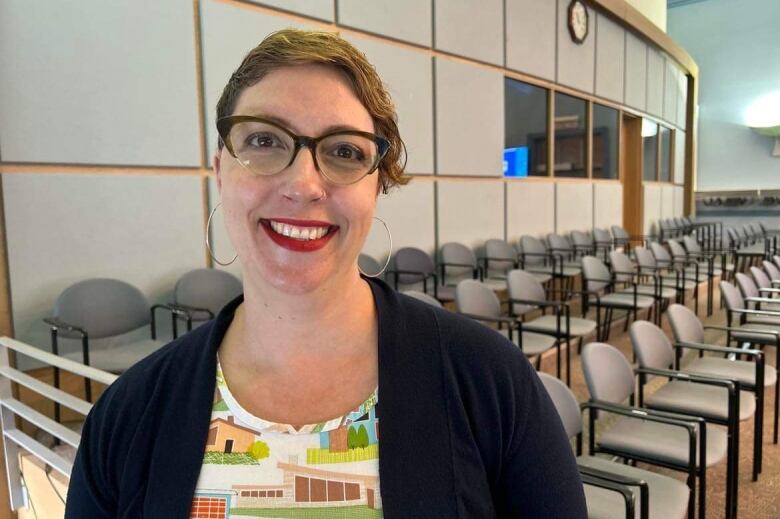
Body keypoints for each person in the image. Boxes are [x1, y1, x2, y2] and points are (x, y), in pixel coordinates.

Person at [65, 29, 586, 518]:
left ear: (376, 183)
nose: (303, 184)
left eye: (343, 151)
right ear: (220, 167)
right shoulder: (130, 415)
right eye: (265, 141)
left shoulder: (489, 382)